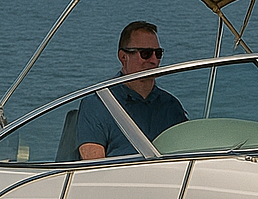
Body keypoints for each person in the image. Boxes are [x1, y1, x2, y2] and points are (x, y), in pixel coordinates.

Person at [76, 21, 189, 159]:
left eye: (158, 53)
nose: (154, 60)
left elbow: (185, 154)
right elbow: (92, 165)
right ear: (123, 57)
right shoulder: (98, 104)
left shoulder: (171, 106)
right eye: (146, 53)